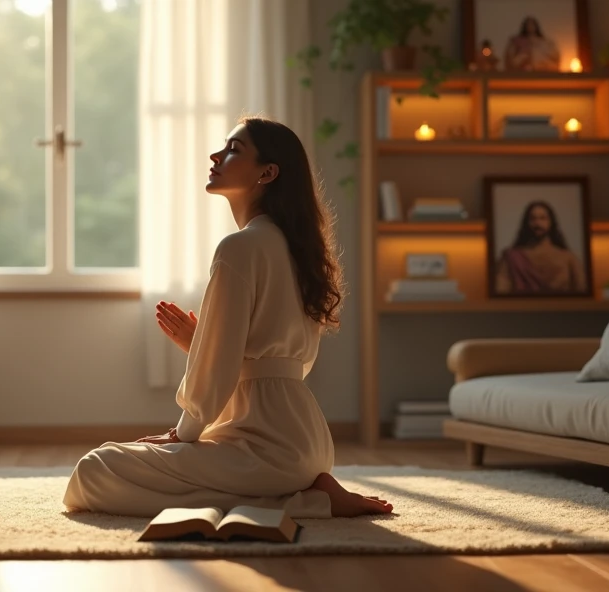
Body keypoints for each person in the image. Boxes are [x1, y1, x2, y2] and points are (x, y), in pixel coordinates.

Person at [63, 117, 393, 518]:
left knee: (94, 471)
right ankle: (308, 489)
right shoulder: (300, 251)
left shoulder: (239, 247)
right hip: (307, 442)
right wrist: (203, 343)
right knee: (115, 464)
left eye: (234, 150)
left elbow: (219, 377)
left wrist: (182, 434)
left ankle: (310, 500)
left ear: (268, 172)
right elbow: (286, 366)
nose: (216, 156)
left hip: (265, 447)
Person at [494, 200, 587, 294]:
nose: (537, 223)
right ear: (526, 223)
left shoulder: (569, 258)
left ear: (551, 222)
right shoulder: (512, 258)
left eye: (543, 218)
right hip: (522, 308)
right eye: (532, 219)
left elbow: (582, 292)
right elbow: (501, 290)